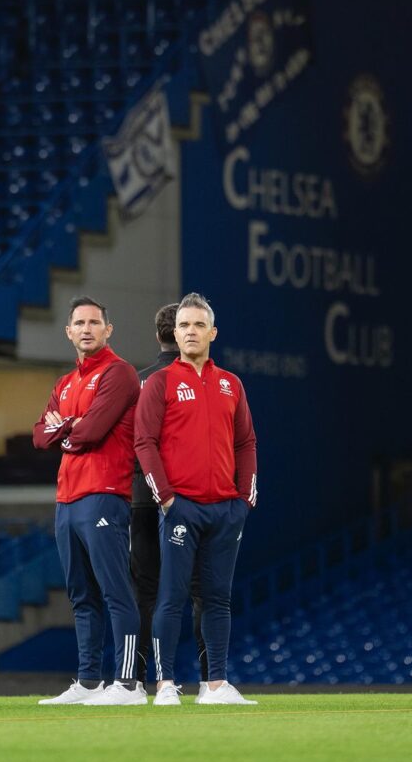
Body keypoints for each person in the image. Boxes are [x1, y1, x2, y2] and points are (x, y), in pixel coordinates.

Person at [134, 292, 259, 706]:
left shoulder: (231, 383)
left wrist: (244, 499)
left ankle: (216, 685)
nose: (190, 331)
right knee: (171, 597)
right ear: (175, 332)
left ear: (212, 332)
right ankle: (166, 684)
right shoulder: (160, 382)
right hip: (180, 507)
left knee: (218, 598)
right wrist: (166, 498)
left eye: (198, 325)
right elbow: (144, 442)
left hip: (225, 510)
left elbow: (246, 442)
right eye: (183, 325)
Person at [32, 296, 146, 706]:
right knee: (81, 595)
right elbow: (38, 435)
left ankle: (129, 684)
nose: (86, 329)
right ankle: (88, 682)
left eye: (94, 322)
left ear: (107, 329)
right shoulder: (64, 382)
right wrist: (70, 427)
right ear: (68, 331)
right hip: (66, 499)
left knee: (116, 591)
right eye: (79, 322)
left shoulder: (120, 374)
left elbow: (92, 432)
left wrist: (65, 428)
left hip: (104, 494)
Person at [131, 302, 209, 691]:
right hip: (188, 498)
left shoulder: (138, 381)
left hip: (141, 499)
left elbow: (132, 443)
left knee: (146, 591)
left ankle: (144, 679)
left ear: (156, 334)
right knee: (197, 590)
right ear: (177, 333)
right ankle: (211, 680)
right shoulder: (197, 382)